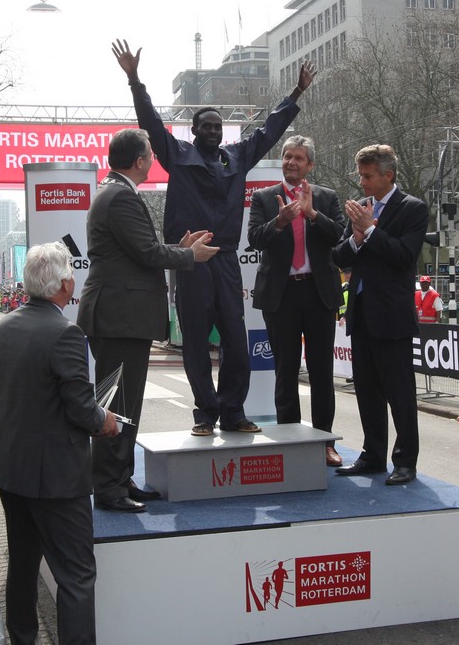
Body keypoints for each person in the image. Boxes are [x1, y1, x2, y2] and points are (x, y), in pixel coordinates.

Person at [112, 38, 316, 435]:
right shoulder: (177, 154)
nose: (213, 130)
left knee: (236, 340)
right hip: (192, 260)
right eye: (206, 126)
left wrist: (296, 93)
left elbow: (269, 131)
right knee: (194, 343)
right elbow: (150, 122)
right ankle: (205, 414)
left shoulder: (236, 156)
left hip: (225, 259)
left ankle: (233, 412)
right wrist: (135, 80)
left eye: (218, 126)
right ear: (194, 130)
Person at [0, 242, 118, 645]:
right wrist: (104, 420)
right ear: (63, 285)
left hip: (10, 468)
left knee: (23, 565)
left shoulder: (6, 326)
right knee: (76, 574)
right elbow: (81, 409)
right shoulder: (66, 333)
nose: (73, 280)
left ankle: (22, 638)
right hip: (55, 477)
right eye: (71, 274)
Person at [78, 128, 218, 513]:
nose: (154, 160)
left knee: (123, 401)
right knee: (117, 402)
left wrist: (177, 249)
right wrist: (189, 256)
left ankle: (119, 479)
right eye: (151, 155)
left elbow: (142, 250)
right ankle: (110, 487)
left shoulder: (114, 192)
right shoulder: (120, 196)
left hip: (120, 316)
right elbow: (146, 253)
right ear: (139, 161)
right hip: (120, 317)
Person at [333, 144, 429, 485]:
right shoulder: (361, 208)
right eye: (360, 175)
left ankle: (405, 461)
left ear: (388, 175)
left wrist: (371, 231)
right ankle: (373, 454)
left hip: (391, 316)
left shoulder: (412, 208)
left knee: (399, 394)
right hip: (361, 314)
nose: (362, 182)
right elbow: (339, 256)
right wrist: (357, 238)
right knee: (367, 391)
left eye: (368, 176)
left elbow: (404, 257)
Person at [248, 135, 345, 467]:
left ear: (310, 165)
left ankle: (325, 442)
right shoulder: (264, 197)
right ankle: (290, 442)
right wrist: (280, 221)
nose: (291, 162)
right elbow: (254, 239)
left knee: (321, 373)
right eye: (287, 156)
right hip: (281, 294)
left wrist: (312, 213)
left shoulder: (326, 197)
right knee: (285, 371)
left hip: (318, 294)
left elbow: (339, 236)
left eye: (298, 158)